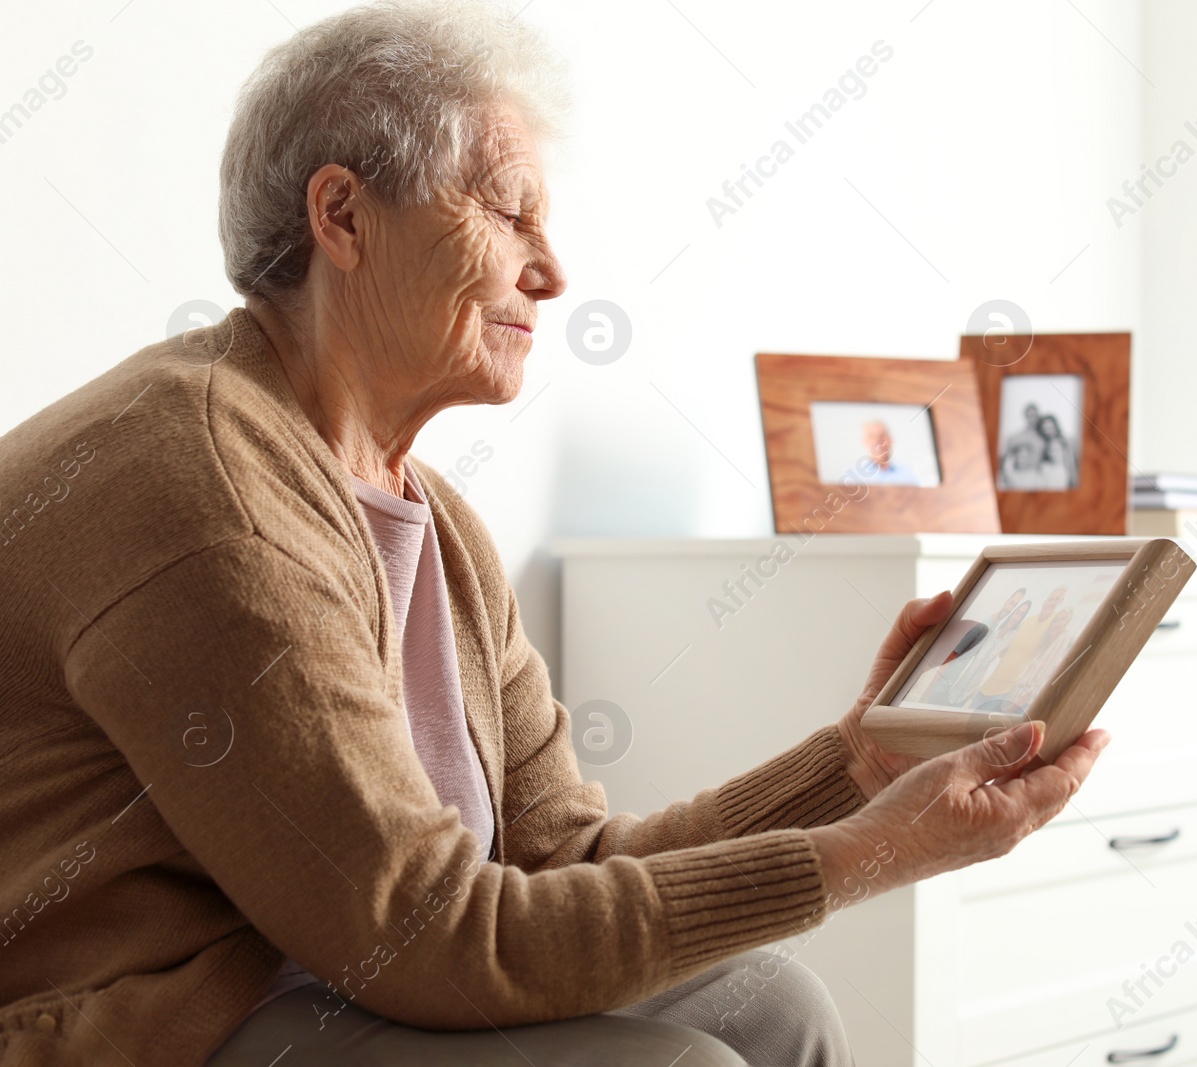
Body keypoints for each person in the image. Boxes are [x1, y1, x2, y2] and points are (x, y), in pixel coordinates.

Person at [0, 4, 1111, 1066]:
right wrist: (875, 851)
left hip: (326, 978)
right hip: (143, 1019)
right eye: (507, 209)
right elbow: (431, 935)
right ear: (340, 216)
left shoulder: (437, 527)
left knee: (774, 1004)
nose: (552, 269)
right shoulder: (206, 487)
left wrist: (854, 767)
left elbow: (566, 862)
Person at [854, 419, 920, 485]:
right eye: (872, 436)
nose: (877, 441)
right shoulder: (855, 478)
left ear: (891, 440)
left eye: (882, 436)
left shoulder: (907, 475)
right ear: (864, 441)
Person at [998, 403, 1047, 490]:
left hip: (1038, 481)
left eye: (1035, 416)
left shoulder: (1043, 439)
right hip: (1018, 480)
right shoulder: (1015, 438)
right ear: (1025, 416)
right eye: (1030, 415)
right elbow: (1005, 460)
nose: (1032, 419)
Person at [1035, 414, 1079, 490]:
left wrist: (1073, 481)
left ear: (1055, 426)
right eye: (1045, 429)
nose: (1048, 431)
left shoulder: (1065, 441)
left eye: (1050, 427)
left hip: (1066, 478)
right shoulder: (1044, 445)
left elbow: (1071, 464)